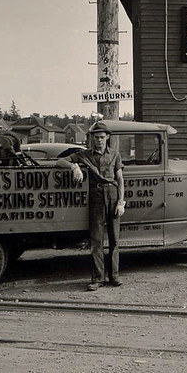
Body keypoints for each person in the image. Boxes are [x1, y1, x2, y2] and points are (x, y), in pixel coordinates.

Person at [58, 121, 125, 290]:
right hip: (96, 196)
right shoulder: (84, 155)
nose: (99, 141)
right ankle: (98, 279)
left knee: (115, 239)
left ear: (107, 137)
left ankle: (114, 276)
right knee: (96, 239)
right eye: (96, 138)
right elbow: (61, 161)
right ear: (92, 139)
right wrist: (74, 167)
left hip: (113, 194)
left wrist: (121, 202)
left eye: (102, 137)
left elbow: (120, 180)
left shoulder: (115, 155)